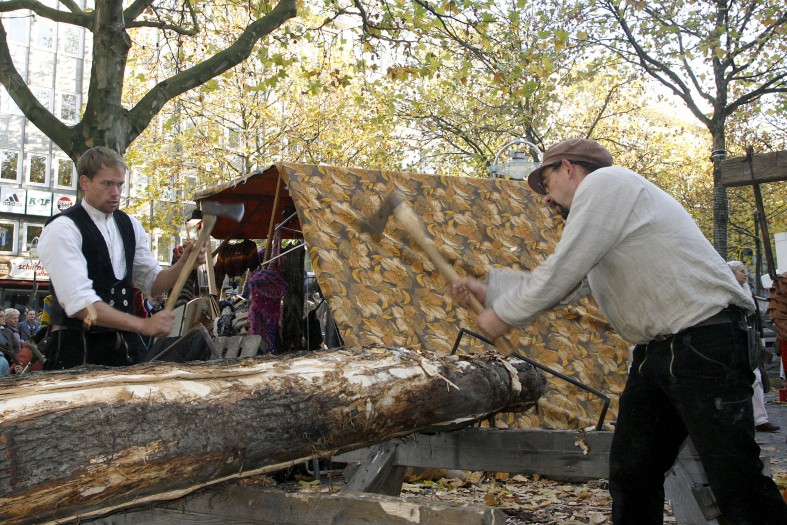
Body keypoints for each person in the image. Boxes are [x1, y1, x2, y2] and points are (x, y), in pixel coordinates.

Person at [449, 138, 787, 524]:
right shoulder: (605, 219)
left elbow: (563, 269)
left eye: (545, 182)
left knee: (735, 479)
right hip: (658, 353)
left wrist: (504, 315)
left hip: (704, 341)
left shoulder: (607, 183)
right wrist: (490, 291)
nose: (545, 197)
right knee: (631, 474)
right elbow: (569, 283)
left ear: (567, 167)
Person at [37, 146, 207, 369]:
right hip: (78, 351)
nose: (115, 192)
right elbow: (81, 306)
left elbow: (153, 283)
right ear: (85, 182)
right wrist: (143, 325)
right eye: (107, 183)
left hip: (126, 349)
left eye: (119, 184)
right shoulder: (62, 228)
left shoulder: (130, 225)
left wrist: (184, 264)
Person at [728, 260, 780, 433]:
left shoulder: (747, 290)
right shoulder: (727, 291)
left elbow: (755, 317)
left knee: (756, 377)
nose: (746, 274)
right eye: (741, 271)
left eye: (745, 270)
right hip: (732, 341)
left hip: (748, 340)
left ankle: (760, 419)